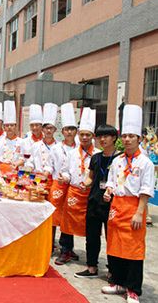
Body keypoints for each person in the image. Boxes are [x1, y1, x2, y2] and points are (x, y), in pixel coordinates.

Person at [102, 105, 155, 303]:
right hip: (116, 208)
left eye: (131, 136)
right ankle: (118, 282)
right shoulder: (118, 161)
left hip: (134, 208)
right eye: (124, 135)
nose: (127, 139)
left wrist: (139, 213)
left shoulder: (145, 163)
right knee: (115, 246)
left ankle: (133, 289)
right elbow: (111, 181)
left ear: (139, 138)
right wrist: (108, 191)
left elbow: (146, 190)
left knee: (133, 250)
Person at [74, 124, 120, 279]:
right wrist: (84, 184)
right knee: (92, 236)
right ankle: (92, 266)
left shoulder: (120, 158)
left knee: (111, 238)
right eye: (100, 136)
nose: (103, 139)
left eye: (106, 136)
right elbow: (91, 177)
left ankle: (113, 269)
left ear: (114, 138)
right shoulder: (96, 157)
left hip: (111, 204)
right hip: (94, 201)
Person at [56, 108, 100, 265]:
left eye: (88, 134)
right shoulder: (73, 153)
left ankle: (91, 259)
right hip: (74, 192)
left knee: (91, 226)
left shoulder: (98, 154)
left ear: (93, 136)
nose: (85, 137)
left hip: (90, 194)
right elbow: (68, 172)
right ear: (78, 135)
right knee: (67, 224)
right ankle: (66, 250)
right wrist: (64, 178)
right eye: (82, 134)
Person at [49, 103, 78, 252]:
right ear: (62, 131)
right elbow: (50, 166)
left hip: (73, 187)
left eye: (72, 129)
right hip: (57, 185)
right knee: (53, 216)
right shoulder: (55, 148)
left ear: (76, 131)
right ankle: (50, 244)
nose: (69, 132)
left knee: (69, 216)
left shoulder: (80, 149)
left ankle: (67, 248)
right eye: (67, 129)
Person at [25, 103, 58, 192]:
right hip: (36, 180)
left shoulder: (58, 147)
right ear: (42, 129)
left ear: (55, 130)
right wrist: (29, 168)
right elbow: (30, 161)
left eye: (51, 128)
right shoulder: (36, 145)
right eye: (46, 128)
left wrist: (46, 174)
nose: (48, 131)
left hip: (52, 182)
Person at [0, 100, 23, 175]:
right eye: (7, 125)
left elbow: (23, 158)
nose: (9, 128)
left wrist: (18, 162)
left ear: (15, 126)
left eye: (12, 125)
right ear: (4, 127)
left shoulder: (21, 142)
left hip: (14, 172)